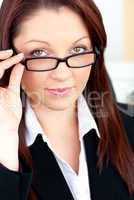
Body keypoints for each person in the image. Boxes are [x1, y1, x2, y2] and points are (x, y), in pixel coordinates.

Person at [0, 0, 133, 199]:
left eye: (78, 50)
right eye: (39, 52)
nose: (62, 74)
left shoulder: (129, 126)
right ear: (8, 56)